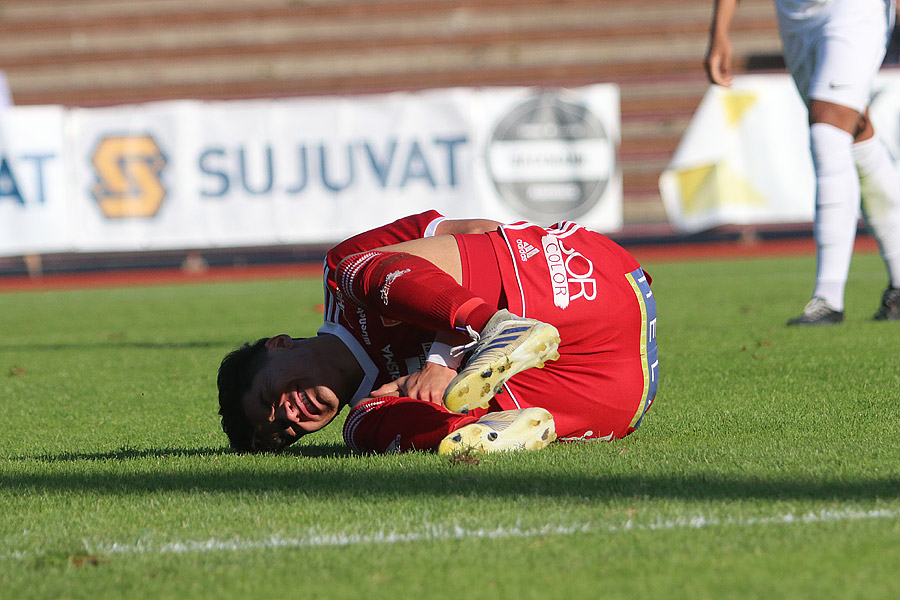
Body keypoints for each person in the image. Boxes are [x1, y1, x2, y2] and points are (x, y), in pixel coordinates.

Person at [216, 210, 659, 454]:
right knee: (362, 426)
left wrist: (442, 360)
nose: (288, 416)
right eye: (285, 432)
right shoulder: (378, 407)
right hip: (612, 395)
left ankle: (494, 328)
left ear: (278, 345)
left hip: (573, 285)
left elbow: (478, 232)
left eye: (266, 398)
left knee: (356, 273)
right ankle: (492, 433)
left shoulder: (339, 273)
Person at [705, 0, 900, 324]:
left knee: (828, 133)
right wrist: (719, 32)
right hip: (795, 15)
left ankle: (828, 298)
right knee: (854, 133)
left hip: (855, 9)